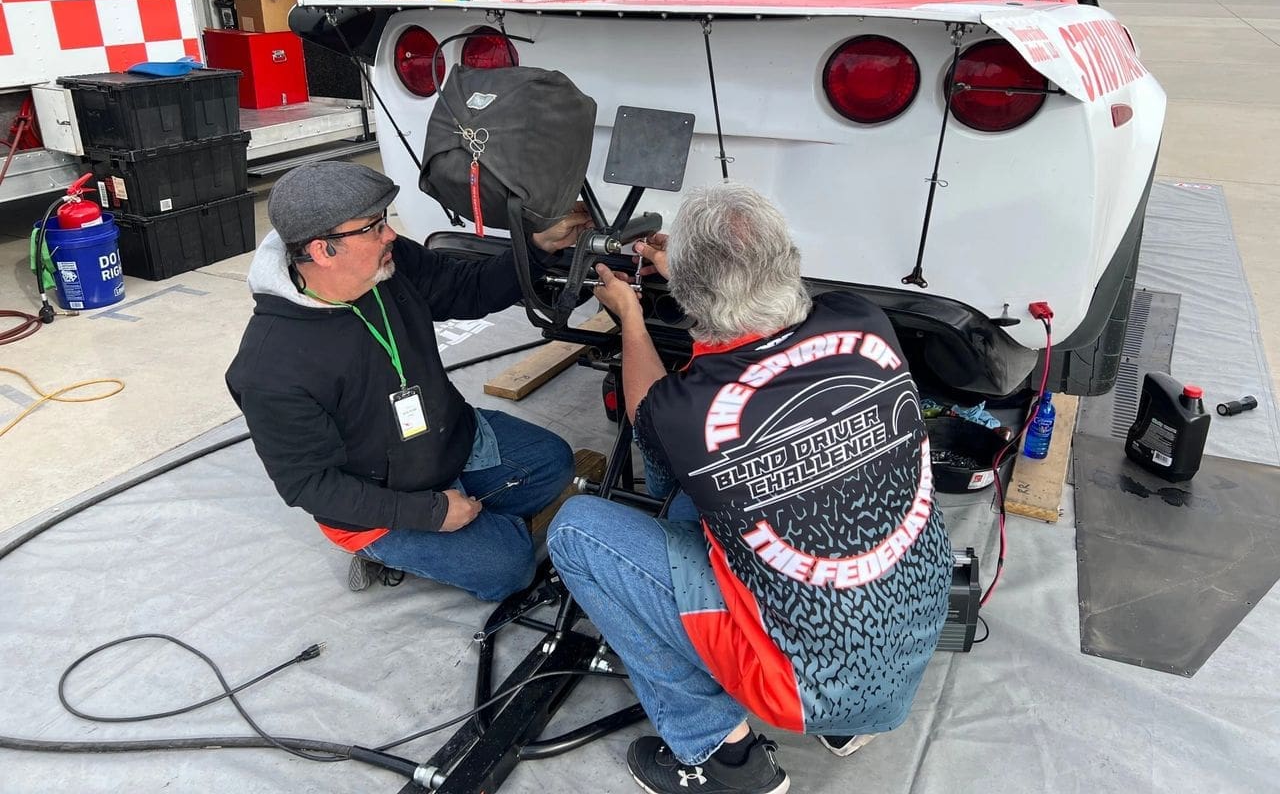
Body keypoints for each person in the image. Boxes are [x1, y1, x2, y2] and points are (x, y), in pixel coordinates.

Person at [547, 183, 952, 794]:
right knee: (696, 493)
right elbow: (760, 343)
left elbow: (648, 406)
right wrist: (688, 272)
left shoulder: (685, 416)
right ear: (789, 261)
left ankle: (724, 761)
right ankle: (844, 722)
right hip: (911, 640)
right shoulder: (865, 320)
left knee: (576, 531)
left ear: (689, 299)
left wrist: (630, 313)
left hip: (792, 685)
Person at [226, 161, 590, 602]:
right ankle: (397, 546)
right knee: (508, 567)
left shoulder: (388, 265)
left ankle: (463, 523)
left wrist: (535, 248)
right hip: (378, 498)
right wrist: (431, 512)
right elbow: (310, 485)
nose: (390, 235)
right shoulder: (271, 368)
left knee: (553, 464)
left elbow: (467, 288)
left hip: (448, 439)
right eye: (374, 227)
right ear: (323, 250)